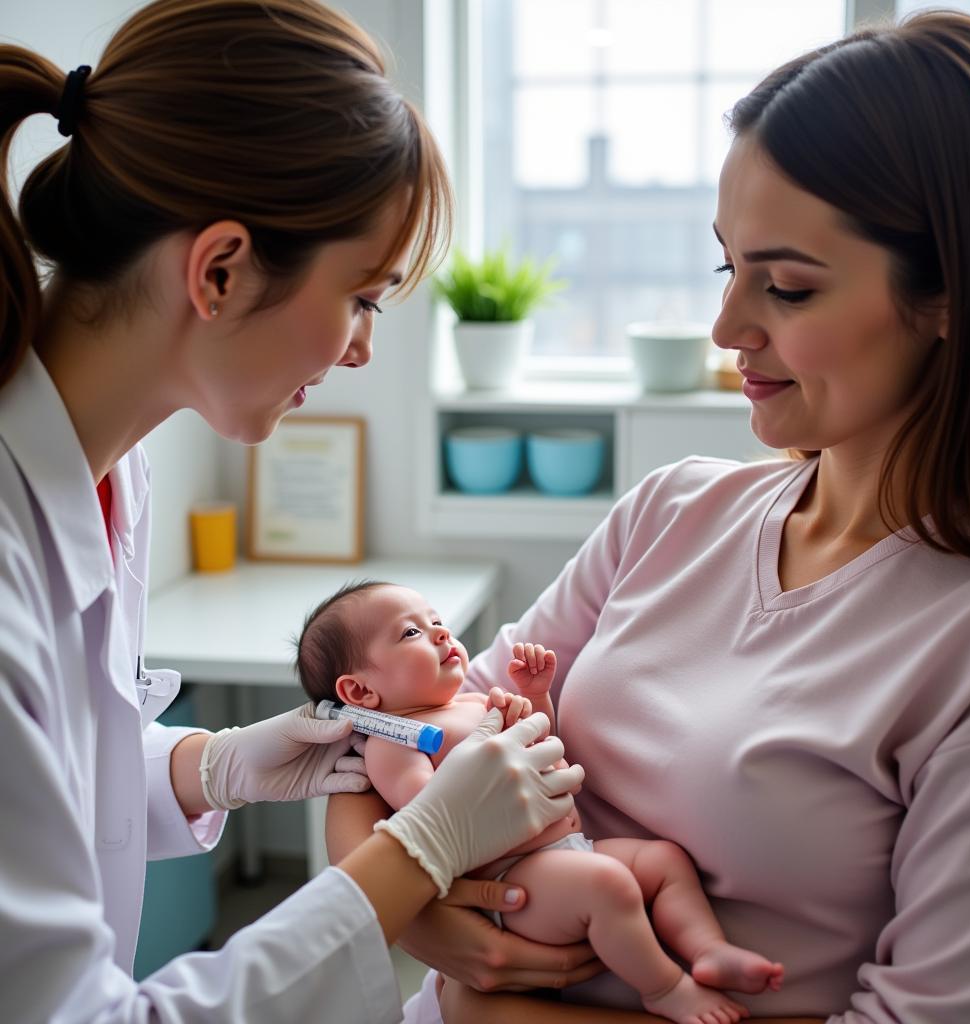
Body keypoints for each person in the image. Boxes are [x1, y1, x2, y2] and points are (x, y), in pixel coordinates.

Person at [326, 10, 970, 1024]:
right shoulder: (673, 510)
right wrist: (392, 900)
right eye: (725, 268)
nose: (727, 328)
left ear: (951, 291)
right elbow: (404, 724)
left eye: (785, 285)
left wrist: (503, 1011)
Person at [0, 1, 587, 1020]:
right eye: (360, 296)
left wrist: (209, 765)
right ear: (219, 269)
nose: (360, 349)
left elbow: (49, 789)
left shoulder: (109, 470)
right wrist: (418, 850)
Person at [296, 580, 786, 1024]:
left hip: (570, 847)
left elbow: (539, 741)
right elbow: (429, 815)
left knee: (663, 860)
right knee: (608, 886)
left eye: (438, 623)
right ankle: (666, 988)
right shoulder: (395, 743)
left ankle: (708, 949)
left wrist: (534, 697)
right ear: (359, 689)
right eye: (411, 634)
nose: (442, 635)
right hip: (514, 878)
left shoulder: (470, 703)